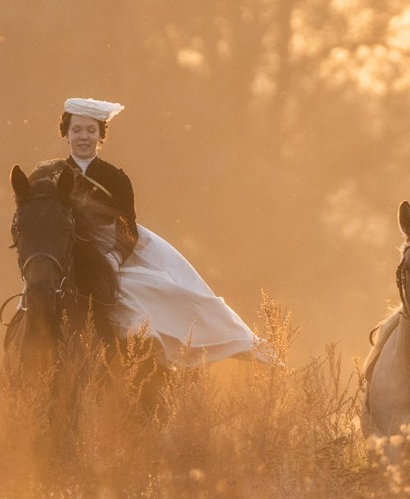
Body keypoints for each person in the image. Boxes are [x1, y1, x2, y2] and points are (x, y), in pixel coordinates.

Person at [47, 97, 264, 366]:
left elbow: (128, 229)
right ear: (66, 133)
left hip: (107, 263)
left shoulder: (115, 178)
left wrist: (111, 260)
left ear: (100, 136)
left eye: (91, 131)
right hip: (60, 262)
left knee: (145, 312)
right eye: (77, 129)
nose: (83, 137)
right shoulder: (49, 174)